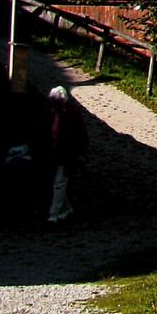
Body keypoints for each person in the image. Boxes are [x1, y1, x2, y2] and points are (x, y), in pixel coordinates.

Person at [45, 85, 88, 223]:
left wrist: (81, 153)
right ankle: (66, 209)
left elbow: (81, 134)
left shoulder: (72, 113)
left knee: (59, 183)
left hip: (67, 154)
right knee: (55, 183)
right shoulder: (48, 112)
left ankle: (53, 214)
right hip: (52, 153)